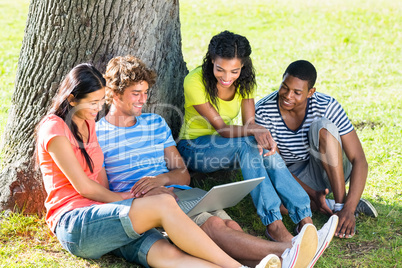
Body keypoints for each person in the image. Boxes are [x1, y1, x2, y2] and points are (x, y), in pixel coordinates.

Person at [96, 55, 338, 267]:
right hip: (149, 204)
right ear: (114, 94)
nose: (143, 100)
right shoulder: (98, 135)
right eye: (136, 94)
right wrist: (146, 193)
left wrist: (162, 179)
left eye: (145, 92)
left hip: (183, 192)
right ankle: (290, 249)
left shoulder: (155, 123)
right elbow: (102, 192)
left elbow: (183, 174)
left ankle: (277, 261)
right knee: (214, 227)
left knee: (230, 229)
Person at [35, 63, 283, 268]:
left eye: (99, 102)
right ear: (73, 98)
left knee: (172, 253)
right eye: (93, 103)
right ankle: (268, 257)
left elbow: (101, 180)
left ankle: (256, 264)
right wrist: (133, 198)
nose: (97, 109)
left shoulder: (89, 124)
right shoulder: (57, 128)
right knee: (193, 216)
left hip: (115, 214)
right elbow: (85, 188)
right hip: (79, 219)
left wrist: (148, 192)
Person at [176, 30, 317, 243]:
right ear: (211, 60)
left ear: (242, 66)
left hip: (228, 146)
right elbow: (223, 128)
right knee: (250, 142)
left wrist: (259, 132)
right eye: (220, 69)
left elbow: (249, 123)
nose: (227, 78)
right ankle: (274, 224)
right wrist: (258, 131)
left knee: (256, 143)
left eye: (234, 71)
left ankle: (304, 218)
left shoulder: (245, 80)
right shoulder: (194, 81)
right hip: (194, 148)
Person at [255, 60, 377, 239]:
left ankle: (341, 207)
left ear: (310, 92)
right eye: (284, 87)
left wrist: (348, 210)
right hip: (293, 175)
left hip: (331, 168)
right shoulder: (264, 111)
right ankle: (325, 203)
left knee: (323, 128)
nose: (288, 96)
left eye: (297, 92)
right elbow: (276, 168)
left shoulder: (327, 105)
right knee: (275, 204)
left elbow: (359, 159)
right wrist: (312, 193)